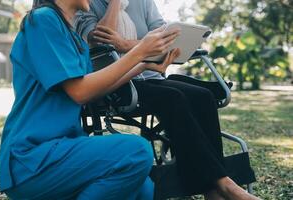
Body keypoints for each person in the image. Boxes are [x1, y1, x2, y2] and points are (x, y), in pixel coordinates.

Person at [74, 1, 261, 200]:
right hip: (117, 83)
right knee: (173, 97)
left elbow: (165, 40)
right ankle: (223, 183)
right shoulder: (86, 4)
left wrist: (126, 45)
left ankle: (212, 190)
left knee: (202, 95)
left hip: (152, 75)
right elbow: (102, 41)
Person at [0, 0, 181, 199]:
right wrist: (139, 52)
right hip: (31, 158)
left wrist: (143, 65)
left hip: (62, 149)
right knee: (137, 152)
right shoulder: (43, 20)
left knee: (142, 187)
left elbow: (91, 90)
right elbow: (80, 92)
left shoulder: (70, 34)